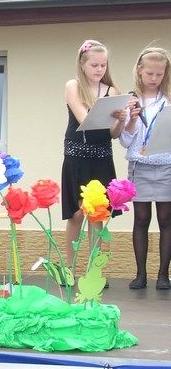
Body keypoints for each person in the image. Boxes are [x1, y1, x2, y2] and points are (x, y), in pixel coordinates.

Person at [61, 39, 132, 276]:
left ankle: (94, 271)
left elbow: (113, 134)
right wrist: (104, 110)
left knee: (97, 213)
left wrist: (121, 119)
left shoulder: (112, 91)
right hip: (77, 154)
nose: (99, 69)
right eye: (94, 65)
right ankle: (69, 268)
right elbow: (84, 119)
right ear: (82, 65)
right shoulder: (73, 86)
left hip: (101, 156)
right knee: (76, 213)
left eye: (103, 65)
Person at [119, 47, 171, 290]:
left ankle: (163, 275)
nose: (154, 78)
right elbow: (124, 141)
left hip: (166, 165)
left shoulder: (168, 100)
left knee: (166, 218)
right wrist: (130, 120)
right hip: (139, 166)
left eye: (159, 74)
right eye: (150, 73)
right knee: (141, 218)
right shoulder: (130, 100)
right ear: (139, 71)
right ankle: (140, 274)